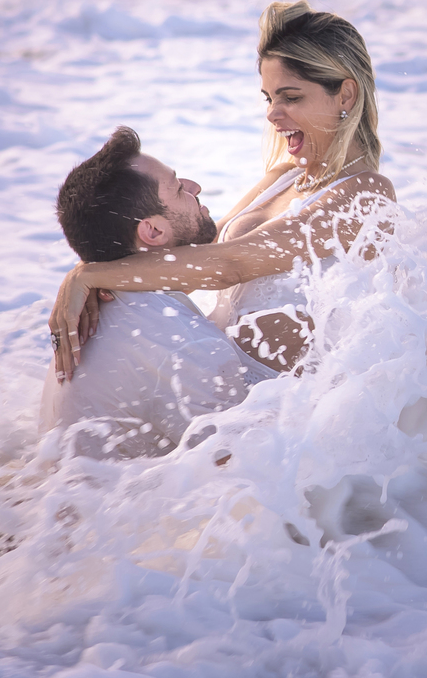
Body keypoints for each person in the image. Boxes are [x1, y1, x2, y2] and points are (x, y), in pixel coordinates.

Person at [49, 0, 396, 378]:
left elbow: (231, 265)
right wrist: (91, 267)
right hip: (219, 387)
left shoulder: (366, 195)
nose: (272, 113)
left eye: (291, 97)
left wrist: (91, 275)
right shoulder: (284, 176)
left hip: (284, 415)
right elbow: (201, 251)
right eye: (269, 97)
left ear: (345, 95)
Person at [40, 126, 276, 459]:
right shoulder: (184, 344)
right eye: (179, 188)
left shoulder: (100, 315)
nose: (196, 187)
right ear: (152, 230)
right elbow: (245, 470)